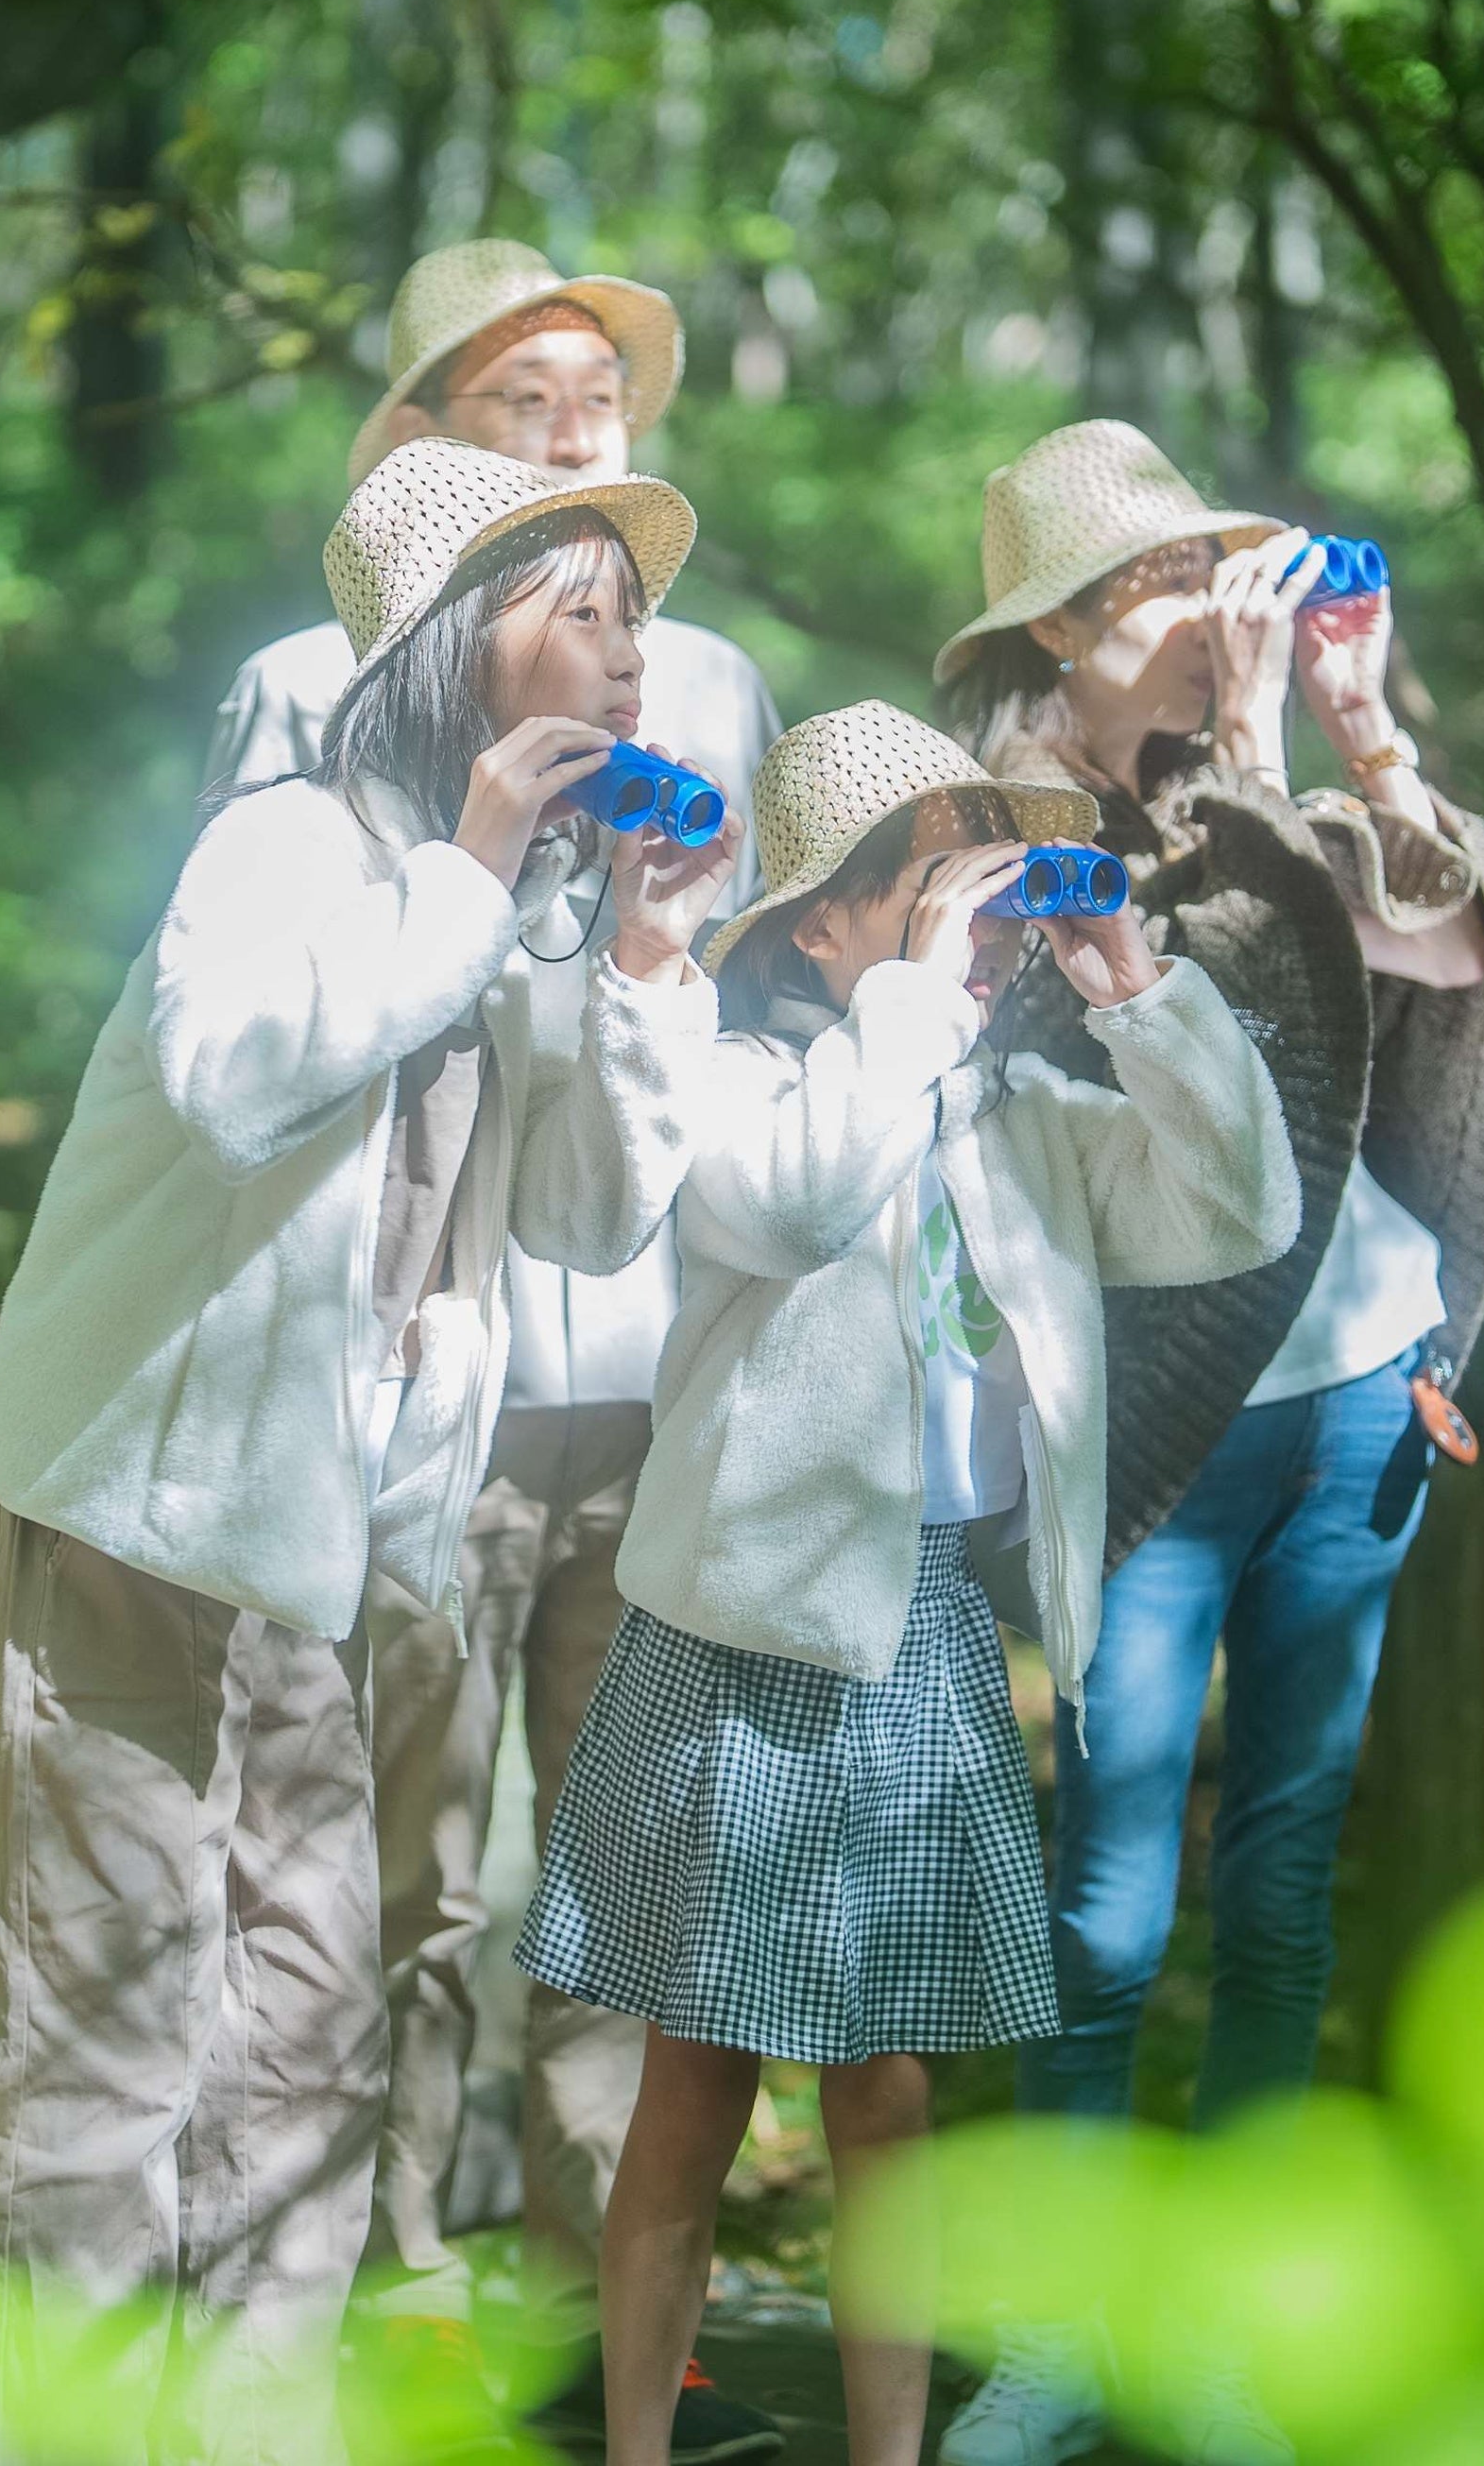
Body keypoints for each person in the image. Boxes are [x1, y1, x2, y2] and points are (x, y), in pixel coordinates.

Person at [0, 436, 740, 2466]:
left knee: (305, 2032)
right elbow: (234, 1070)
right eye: (583, 605)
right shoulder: (288, 840)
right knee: (110, 2040)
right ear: (446, 649)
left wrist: (642, 952)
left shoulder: (527, 911)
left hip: (316, 1560)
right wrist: (477, 872)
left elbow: (584, 1205)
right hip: (141, 1514)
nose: (634, 651)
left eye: (640, 613)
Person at [517, 702, 1302, 2466]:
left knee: (888, 2095)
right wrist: (925, 998)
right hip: (736, 1637)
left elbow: (1241, 1205)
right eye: (934, 885)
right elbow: (795, 1206)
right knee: (693, 2087)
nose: (982, 922)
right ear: (825, 924)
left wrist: (1130, 983)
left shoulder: (1013, 1112)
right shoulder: (732, 1080)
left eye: (991, 885)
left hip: (923, 1633)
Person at [207, 240, 786, 2463]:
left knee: (622, 1877)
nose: (573, 426)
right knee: (409, 1871)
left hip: (647, 1363)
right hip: (417, 1364)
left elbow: (728, 998)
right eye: (520, 394)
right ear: (433, 437)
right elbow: (267, 1010)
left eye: (599, 394)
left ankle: (616, 2324)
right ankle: (398, 2293)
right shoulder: (303, 681)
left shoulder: (706, 687)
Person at [926, 422, 1484, 2466]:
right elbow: (1249, 1034)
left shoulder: (1239, 776)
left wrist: (1351, 731)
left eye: (1223, 579)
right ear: (1067, 639)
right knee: (1103, 1910)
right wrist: (1261, 766)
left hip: (1359, 1394)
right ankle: (1064, 2331)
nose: (1216, 624)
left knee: (1278, 1887)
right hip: (1164, 1437)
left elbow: (1449, 956)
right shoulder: (1008, 835)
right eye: (1174, 590)